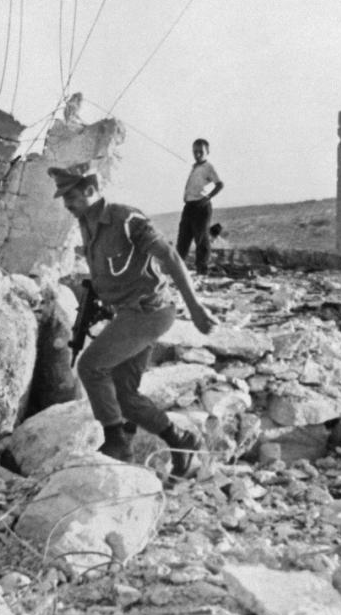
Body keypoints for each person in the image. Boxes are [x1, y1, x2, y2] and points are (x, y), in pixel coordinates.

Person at [50, 161, 216, 476]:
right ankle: (180, 439)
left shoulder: (126, 219)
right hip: (128, 313)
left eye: (70, 196)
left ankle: (117, 443)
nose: (66, 204)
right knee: (124, 396)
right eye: (63, 198)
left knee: (91, 366)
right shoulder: (85, 223)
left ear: (90, 189)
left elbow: (170, 256)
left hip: (149, 311)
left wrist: (195, 308)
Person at [176, 138, 224, 276]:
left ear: (207, 152)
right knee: (183, 239)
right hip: (189, 206)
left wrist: (208, 197)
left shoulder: (208, 167)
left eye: (200, 152)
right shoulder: (195, 167)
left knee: (201, 239)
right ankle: (177, 269)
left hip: (201, 206)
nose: (197, 154)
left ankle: (202, 270)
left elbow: (220, 184)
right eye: (195, 151)